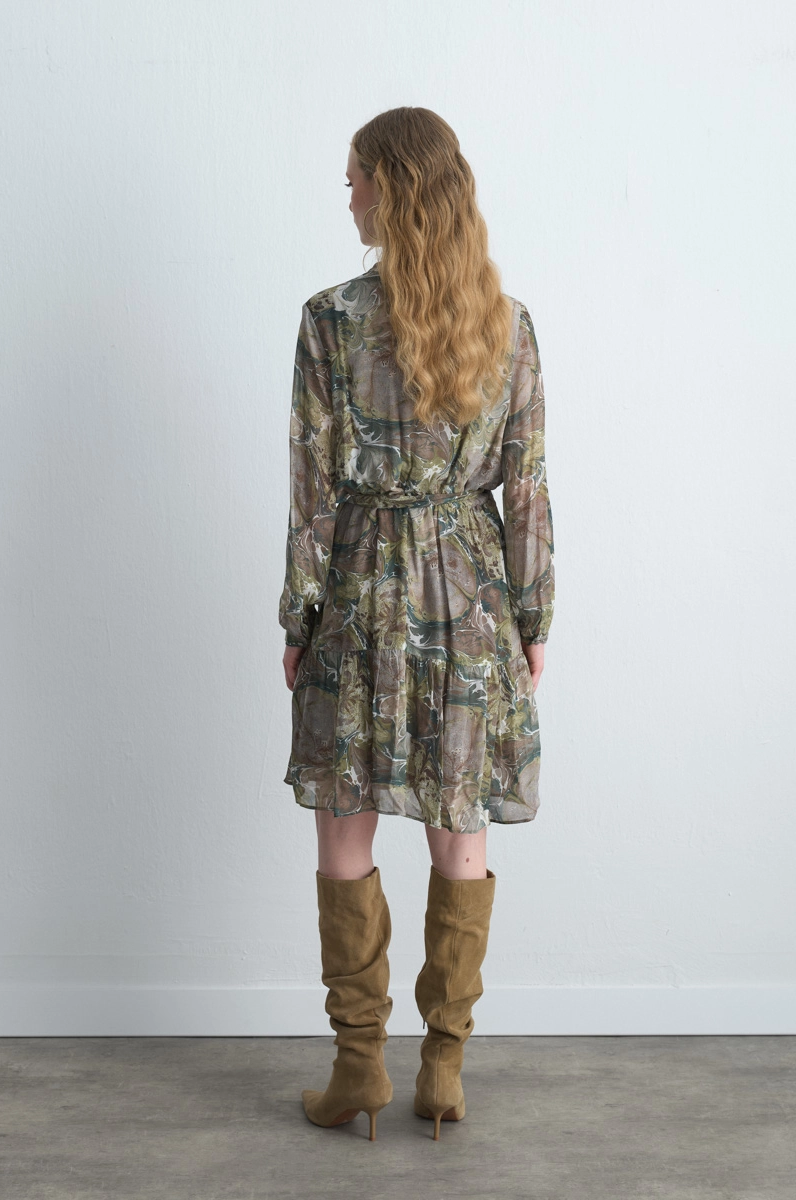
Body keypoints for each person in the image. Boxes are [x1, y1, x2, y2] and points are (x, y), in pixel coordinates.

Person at [278, 107, 554, 1142]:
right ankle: (442, 1070)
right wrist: (533, 613)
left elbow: (311, 489)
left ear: (388, 189)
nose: (344, 194)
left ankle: (360, 1067)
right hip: (471, 595)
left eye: (354, 177)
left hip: (358, 585)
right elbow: (527, 487)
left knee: (343, 821)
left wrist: (298, 610)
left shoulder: (331, 320)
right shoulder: (507, 324)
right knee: (459, 820)